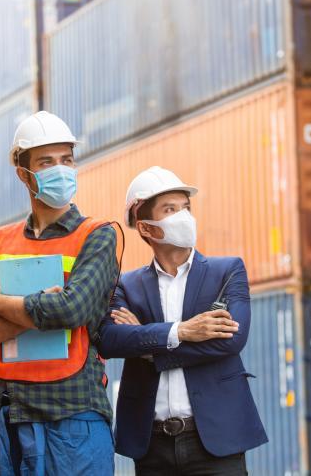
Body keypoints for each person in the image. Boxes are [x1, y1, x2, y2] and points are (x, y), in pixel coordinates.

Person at [0, 110, 121, 475]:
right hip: (10, 414)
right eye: (47, 161)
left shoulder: (98, 235)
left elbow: (72, 310)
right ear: (24, 174)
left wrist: (1, 304)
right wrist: (39, 313)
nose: (61, 169)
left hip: (73, 416)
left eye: (67, 159)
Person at [97, 166, 268, 475]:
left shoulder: (227, 272)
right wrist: (182, 331)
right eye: (170, 209)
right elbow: (109, 341)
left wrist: (150, 349)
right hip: (152, 445)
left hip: (217, 441)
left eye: (185, 207)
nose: (184, 216)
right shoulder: (125, 285)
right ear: (146, 227)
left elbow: (230, 341)